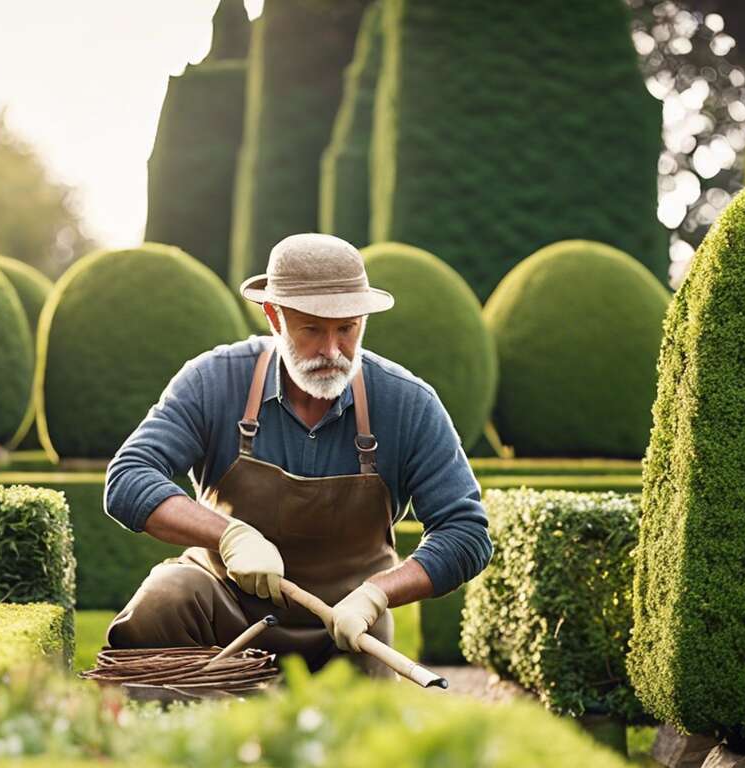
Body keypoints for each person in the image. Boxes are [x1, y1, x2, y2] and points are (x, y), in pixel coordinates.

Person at [103, 232, 492, 678]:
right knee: (166, 596)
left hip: (348, 625)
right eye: (312, 329)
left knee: (359, 705)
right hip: (225, 607)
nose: (332, 351)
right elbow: (128, 477)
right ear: (274, 316)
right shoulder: (214, 380)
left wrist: (377, 594)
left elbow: (466, 533)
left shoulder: (408, 403)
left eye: (347, 329)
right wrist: (230, 536)